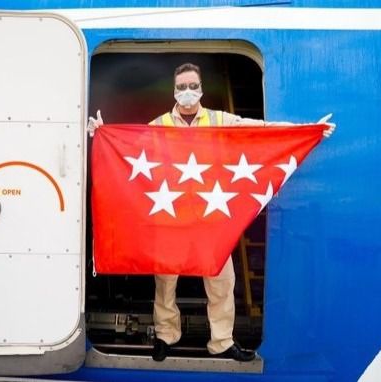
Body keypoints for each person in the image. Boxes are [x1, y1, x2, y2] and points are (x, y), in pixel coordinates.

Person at [88, 63, 335, 362]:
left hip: (210, 222)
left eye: (192, 86)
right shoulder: (161, 124)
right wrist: (102, 133)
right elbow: (128, 144)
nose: (187, 92)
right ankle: (166, 336)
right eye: (181, 87)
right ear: (174, 91)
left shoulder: (219, 119)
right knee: (165, 282)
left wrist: (307, 130)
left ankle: (222, 341)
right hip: (171, 220)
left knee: (221, 283)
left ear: (201, 88)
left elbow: (257, 129)